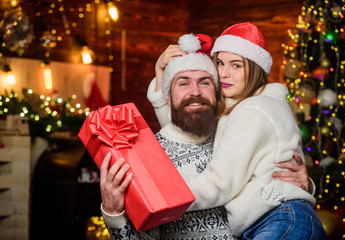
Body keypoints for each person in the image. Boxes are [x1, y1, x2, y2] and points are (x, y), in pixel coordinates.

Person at [100, 31, 315, 239]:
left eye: (204, 82)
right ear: (168, 97)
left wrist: (301, 186)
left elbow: (243, 171)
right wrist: (114, 213)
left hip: (279, 220)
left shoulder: (230, 129)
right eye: (183, 83)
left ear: (216, 92)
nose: (195, 91)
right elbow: (176, 128)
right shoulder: (152, 156)